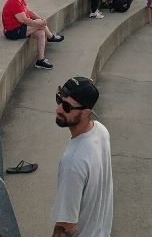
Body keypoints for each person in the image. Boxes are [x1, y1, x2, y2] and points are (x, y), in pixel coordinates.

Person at [52, 77, 113, 237]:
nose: (58, 109)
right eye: (59, 100)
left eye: (67, 106)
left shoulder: (72, 162)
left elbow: (66, 226)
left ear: (86, 112)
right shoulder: (101, 131)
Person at [2, 0, 64, 70]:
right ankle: (51, 37)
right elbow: (24, 20)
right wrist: (39, 22)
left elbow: (29, 12)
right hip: (12, 32)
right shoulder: (13, 3)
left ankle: (40, 61)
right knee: (40, 25)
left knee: (41, 33)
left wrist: (40, 19)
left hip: (20, 27)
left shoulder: (20, 0)